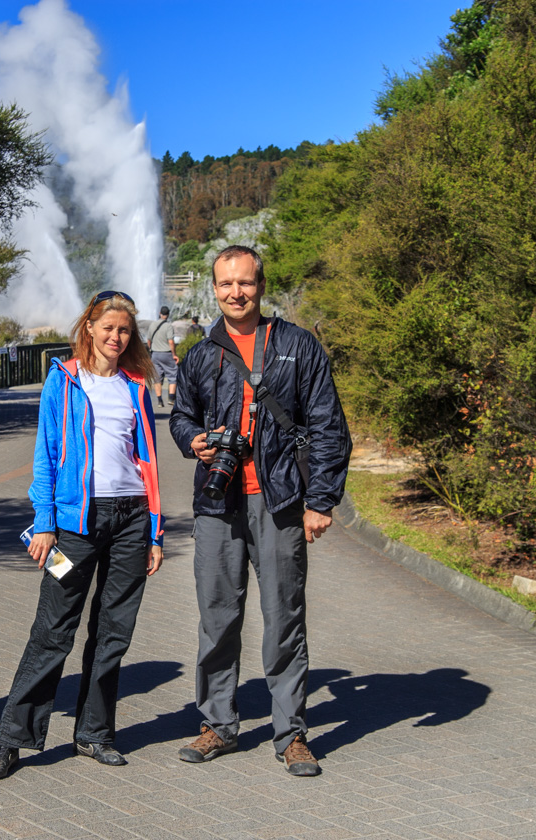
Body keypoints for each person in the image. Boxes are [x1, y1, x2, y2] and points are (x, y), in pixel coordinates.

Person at [169, 245, 351, 777]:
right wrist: (194, 440)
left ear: (260, 285)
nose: (235, 293)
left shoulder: (297, 346)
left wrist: (320, 500)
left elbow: (327, 426)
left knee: (284, 619)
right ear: (214, 287)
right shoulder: (203, 353)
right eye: (225, 284)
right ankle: (218, 725)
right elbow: (181, 416)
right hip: (217, 502)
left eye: (244, 283)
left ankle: (291, 733)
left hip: (281, 501)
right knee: (217, 617)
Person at [0, 290, 164, 780]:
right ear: (89, 327)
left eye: (124, 331)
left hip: (131, 520)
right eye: (108, 328)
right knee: (53, 630)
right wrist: (43, 523)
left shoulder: (135, 385)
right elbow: (44, 455)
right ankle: (13, 740)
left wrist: (155, 532)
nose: (116, 338)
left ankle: (95, 733)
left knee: (113, 633)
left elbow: (147, 461)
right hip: (74, 527)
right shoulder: (63, 380)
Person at [147, 305, 178, 407]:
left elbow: (148, 340)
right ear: (168, 315)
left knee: (157, 378)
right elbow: (171, 341)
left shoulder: (153, 325)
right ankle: (171, 398)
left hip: (155, 354)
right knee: (173, 375)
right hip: (167, 354)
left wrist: (151, 349)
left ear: (160, 313)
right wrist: (174, 354)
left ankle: (160, 401)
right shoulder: (168, 326)